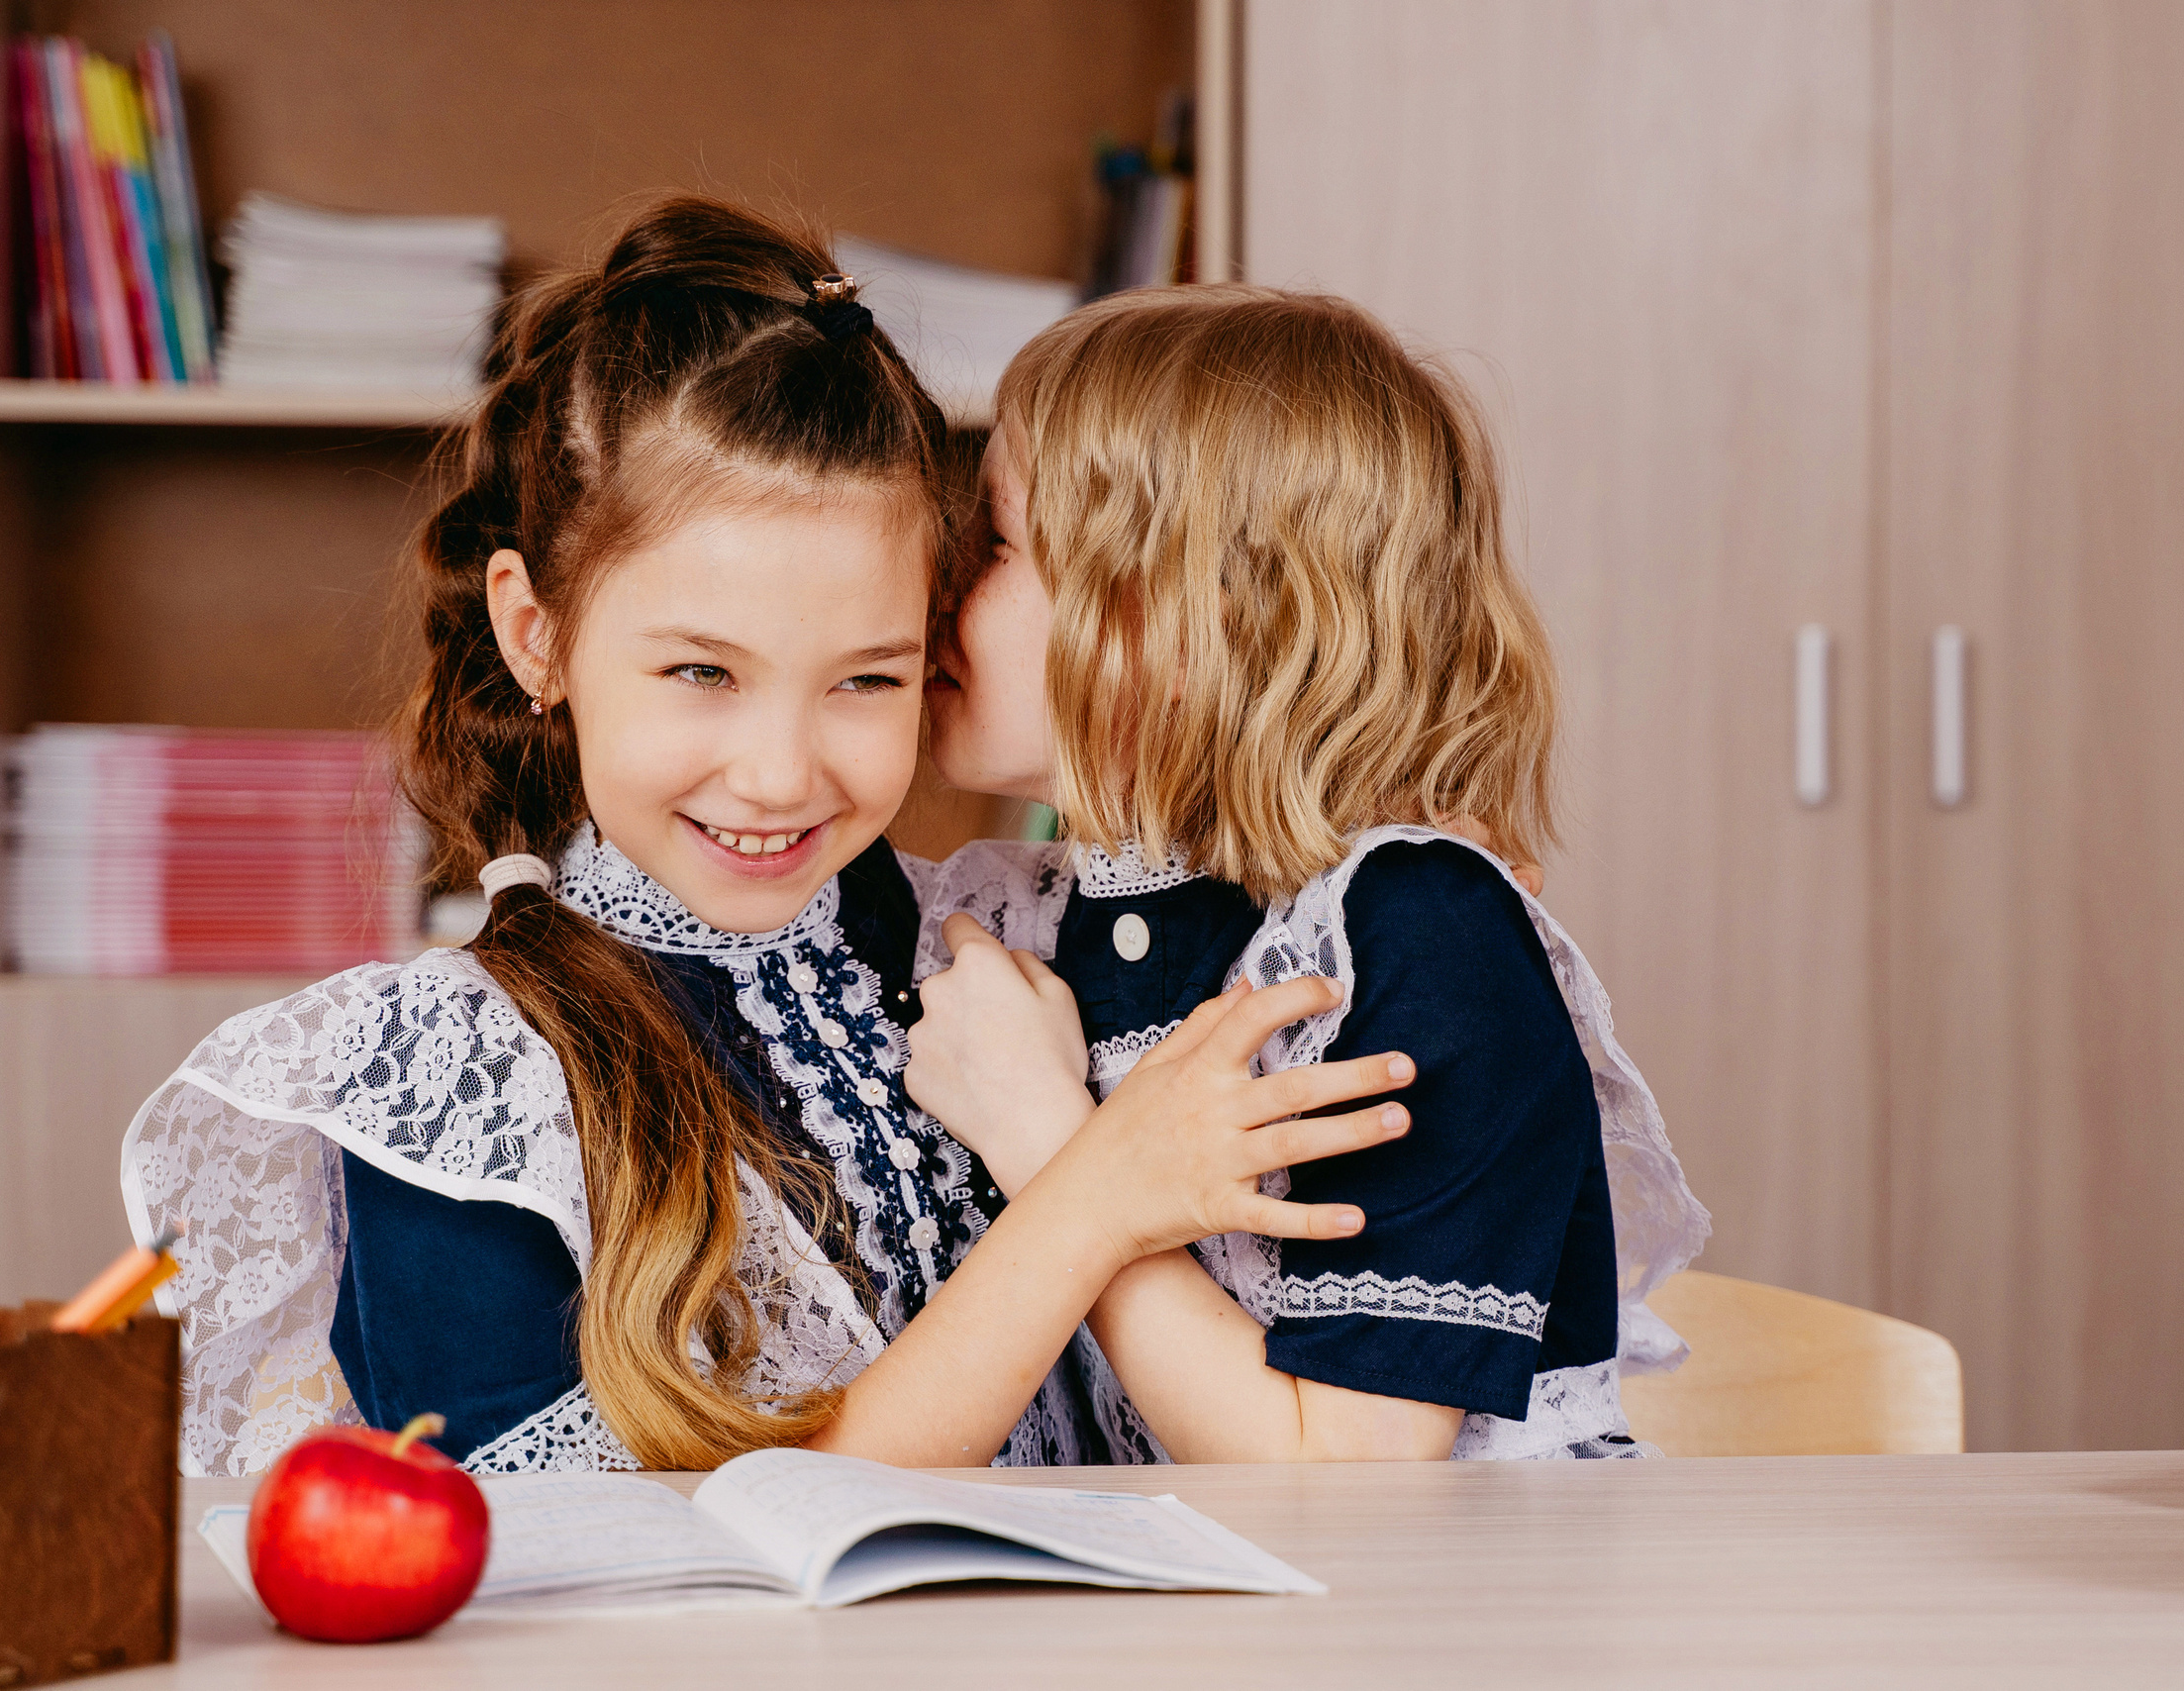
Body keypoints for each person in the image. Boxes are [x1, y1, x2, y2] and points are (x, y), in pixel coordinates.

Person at [121, 202, 1408, 1477]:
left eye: (866, 679)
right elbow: (598, 1555)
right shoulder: (445, 1083)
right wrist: (1089, 1197)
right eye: (702, 672)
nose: (781, 774)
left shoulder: (1004, 942)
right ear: (536, 634)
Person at [907, 284, 1710, 1462]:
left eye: (995, 544)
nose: (934, 579)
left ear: (1189, 622)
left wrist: (1051, 1150)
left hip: (1426, 1585)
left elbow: (1348, 1485)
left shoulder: (1412, 931)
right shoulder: (1003, 913)